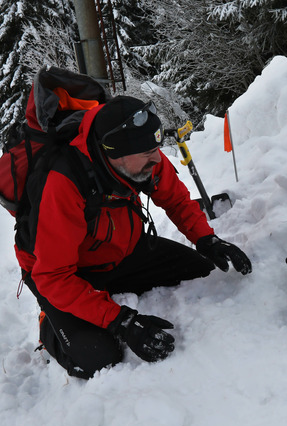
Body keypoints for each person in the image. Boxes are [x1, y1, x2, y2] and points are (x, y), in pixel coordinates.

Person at [16, 95, 252, 379]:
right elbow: (53, 276)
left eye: (156, 148)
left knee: (202, 271)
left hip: (124, 252)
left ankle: (107, 294)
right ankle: (50, 323)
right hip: (70, 276)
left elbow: (176, 200)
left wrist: (206, 239)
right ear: (114, 154)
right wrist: (121, 321)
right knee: (98, 358)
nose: (157, 158)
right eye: (147, 153)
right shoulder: (64, 183)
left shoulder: (141, 154)